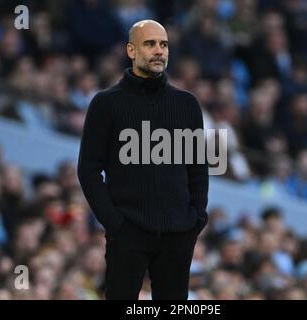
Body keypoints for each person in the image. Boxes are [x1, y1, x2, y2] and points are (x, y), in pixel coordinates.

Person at [77, 20, 209, 300]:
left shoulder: (187, 104)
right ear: (131, 50)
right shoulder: (106, 103)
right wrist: (115, 224)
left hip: (178, 234)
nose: (159, 51)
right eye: (150, 43)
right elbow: (88, 171)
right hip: (128, 232)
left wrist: (196, 219)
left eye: (163, 44)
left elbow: (198, 168)